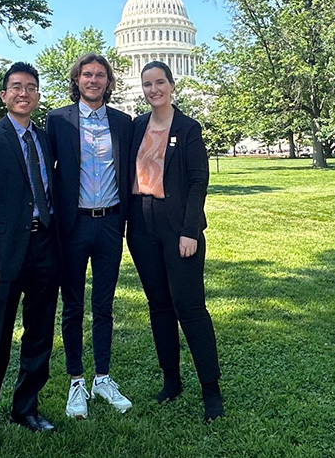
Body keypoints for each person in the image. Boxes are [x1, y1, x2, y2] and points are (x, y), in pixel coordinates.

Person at [0, 62, 59, 458]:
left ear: (37, 95)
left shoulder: (45, 138)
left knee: (38, 335)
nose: (24, 93)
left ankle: (25, 408)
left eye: (31, 87)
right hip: (4, 257)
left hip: (45, 249)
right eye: (16, 87)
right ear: (4, 96)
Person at [126, 61, 224, 423]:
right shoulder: (136, 126)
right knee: (159, 306)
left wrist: (189, 231)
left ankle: (211, 391)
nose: (154, 90)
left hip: (177, 226)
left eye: (160, 82)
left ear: (171, 84)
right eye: (148, 84)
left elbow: (199, 183)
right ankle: (171, 381)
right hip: (140, 224)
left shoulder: (188, 128)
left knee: (190, 307)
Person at [45, 53, 135, 419]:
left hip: (110, 224)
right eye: (87, 74)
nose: (94, 80)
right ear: (77, 80)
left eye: (100, 75)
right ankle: (76, 381)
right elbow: (43, 169)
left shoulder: (123, 122)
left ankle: (103, 377)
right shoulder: (57, 120)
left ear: (108, 82)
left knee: (103, 305)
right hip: (73, 225)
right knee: (73, 307)